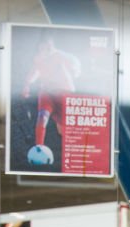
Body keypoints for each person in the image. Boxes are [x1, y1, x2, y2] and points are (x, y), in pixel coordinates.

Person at [21, 32, 81, 160]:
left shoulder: (61, 56)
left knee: (62, 126)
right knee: (42, 116)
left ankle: (71, 149)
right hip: (46, 93)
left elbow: (75, 63)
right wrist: (27, 84)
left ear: (52, 46)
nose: (45, 50)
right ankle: (39, 149)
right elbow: (34, 71)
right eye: (42, 47)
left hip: (64, 93)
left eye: (48, 47)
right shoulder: (38, 58)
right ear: (39, 47)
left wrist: (75, 70)